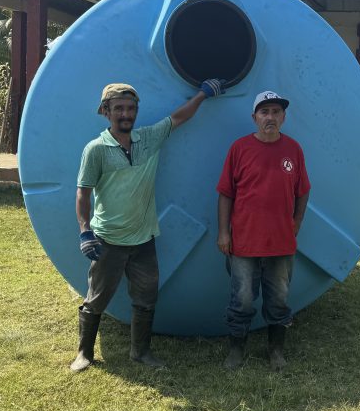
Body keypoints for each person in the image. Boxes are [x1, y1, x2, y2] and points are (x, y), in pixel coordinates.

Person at [71, 78, 224, 373]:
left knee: (145, 299)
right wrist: (85, 232)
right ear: (106, 111)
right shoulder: (96, 149)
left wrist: (203, 95)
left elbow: (179, 117)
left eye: (131, 108)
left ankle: (140, 352)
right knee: (96, 299)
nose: (126, 114)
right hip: (108, 241)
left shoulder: (149, 138)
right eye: (119, 108)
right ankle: (84, 353)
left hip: (143, 241)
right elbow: (83, 192)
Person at [217, 90, 310, 371]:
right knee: (242, 299)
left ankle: (276, 351)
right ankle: (236, 350)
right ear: (254, 117)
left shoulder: (293, 149)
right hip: (244, 241)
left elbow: (303, 191)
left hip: (281, 242)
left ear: (283, 117)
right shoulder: (239, 148)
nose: (270, 117)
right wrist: (224, 232)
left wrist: (296, 223)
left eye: (276, 112)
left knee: (279, 299)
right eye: (264, 112)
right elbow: (225, 194)